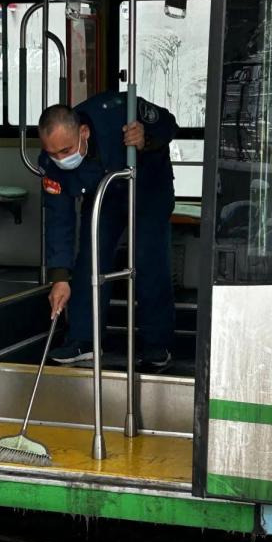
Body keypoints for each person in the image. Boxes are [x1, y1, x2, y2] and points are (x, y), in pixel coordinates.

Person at [38, 91, 177, 369]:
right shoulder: (51, 165)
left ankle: (156, 344)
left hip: (148, 188)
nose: (60, 158)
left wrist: (146, 137)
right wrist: (59, 277)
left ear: (84, 132)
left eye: (65, 151)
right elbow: (59, 221)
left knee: (149, 259)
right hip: (104, 194)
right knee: (90, 257)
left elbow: (169, 124)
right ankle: (83, 341)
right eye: (53, 153)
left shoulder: (118, 111)